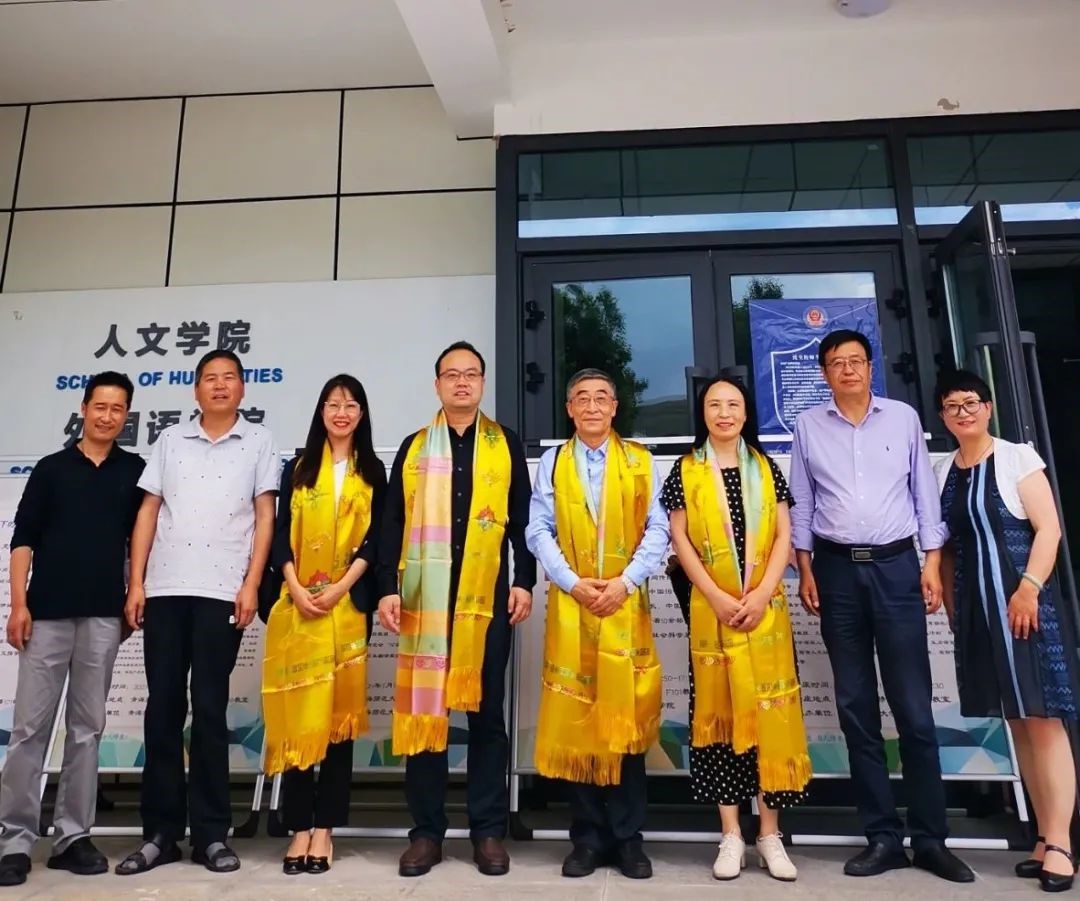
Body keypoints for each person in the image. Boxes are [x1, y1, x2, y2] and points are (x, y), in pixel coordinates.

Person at [788, 328, 973, 883]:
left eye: (856, 361)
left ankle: (931, 838)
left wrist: (931, 563)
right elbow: (802, 501)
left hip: (897, 568)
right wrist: (805, 568)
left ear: (871, 368)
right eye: (836, 363)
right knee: (856, 708)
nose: (848, 370)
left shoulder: (903, 419)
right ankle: (882, 837)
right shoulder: (808, 426)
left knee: (914, 708)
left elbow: (923, 495)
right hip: (835, 571)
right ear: (824, 373)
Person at [115, 349, 279, 876]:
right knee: (163, 707)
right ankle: (160, 833)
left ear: (242, 388)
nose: (220, 385)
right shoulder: (170, 439)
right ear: (196, 389)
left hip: (222, 592)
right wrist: (137, 582)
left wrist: (251, 583)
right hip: (165, 589)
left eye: (229, 378)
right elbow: (148, 511)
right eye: (210, 378)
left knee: (209, 709)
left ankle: (211, 834)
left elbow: (265, 516)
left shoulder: (258, 440)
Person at [377, 341, 535, 878]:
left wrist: (524, 580)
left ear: (483, 384)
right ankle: (426, 833)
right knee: (427, 715)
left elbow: (521, 521)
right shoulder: (415, 447)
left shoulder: (504, 443)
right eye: (452, 374)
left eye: (471, 374)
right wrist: (388, 587)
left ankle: (487, 831)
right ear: (437, 384)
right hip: (426, 599)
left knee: (487, 717)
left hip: (486, 600)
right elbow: (392, 522)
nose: (462, 382)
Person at [934, 369, 1078, 894]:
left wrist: (1029, 588)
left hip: (1025, 608)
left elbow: (1049, 529)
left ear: (988, 407)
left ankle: (1061, 842)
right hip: (979, 611)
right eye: (952, 406)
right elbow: (948, 547)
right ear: (943, 417)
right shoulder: (944, 470)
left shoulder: (1018, 457)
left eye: (971, 402)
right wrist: (952, 605)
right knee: (1018, 723)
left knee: (1043, 720)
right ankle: (1043, 836)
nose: (963, 412)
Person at [662, 376, 810, 882]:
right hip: (713, 611)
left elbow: (785, 533)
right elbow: (679, 540)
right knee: (719, 717)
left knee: (770, 716)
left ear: (746, 413)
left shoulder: (766, 468)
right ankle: (731, 834)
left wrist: (764, 591)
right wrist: (716, 595)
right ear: (702, 413)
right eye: (714, 404)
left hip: (765, 611)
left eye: (733, 404)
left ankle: (769, 833)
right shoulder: (685, 470)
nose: (724, 413)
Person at [0, 373, 144, 888]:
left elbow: (140, 541)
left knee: (87, 730)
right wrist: (19, 604)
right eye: (100, 406)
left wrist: (134, 592)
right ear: (84, 408)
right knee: (29, 730)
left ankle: (72, 837)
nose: (108, 416)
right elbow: (23, 539)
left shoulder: (135, 472)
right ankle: (14, 840)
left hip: (104, 617)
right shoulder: (52, 469)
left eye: (118, 409)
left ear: (126, 416)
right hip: (46, 615)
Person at [525, 367, 669, 880]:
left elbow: (659, 527)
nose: (591, 406)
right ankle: (586, 839)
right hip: (574, 604)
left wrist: (625, 582)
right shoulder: (554, 462)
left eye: (601, 398)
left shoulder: (640, 461)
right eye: (581, 398)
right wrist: (571, 581)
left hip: (624, 604)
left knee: (624, 718)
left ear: (614, 407)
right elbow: (537, 527)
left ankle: (628, 840)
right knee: (579, 717)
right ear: (569, 409)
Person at [260, 374, 386, 875]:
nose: (341, 412)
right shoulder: (297, 468)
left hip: (347, 607)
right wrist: (294, 586)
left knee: (337, 724)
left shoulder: (373, 470)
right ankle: (298, 828)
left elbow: (378, 540)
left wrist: (339, 588)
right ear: (321, 411)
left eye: (351, 405)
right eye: (333, 404)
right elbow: (279, 535)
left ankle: (325, 830)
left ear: (362, 414)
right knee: (298, 716)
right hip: (298, 606)